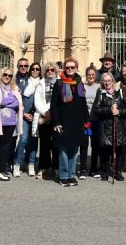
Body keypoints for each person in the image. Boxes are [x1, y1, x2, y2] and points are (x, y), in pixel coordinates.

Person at [50, 57, 90, 187]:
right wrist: (56, 122)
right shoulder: (59, 83)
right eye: (68, 67)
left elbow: (83, 103)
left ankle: (72, 175)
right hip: (63, 121)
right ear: (64, 69)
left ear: (76, 68)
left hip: (77, 121)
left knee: (74, 148)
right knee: (63, 149)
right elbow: (54, 105)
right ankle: (63, 175)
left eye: (72, 67)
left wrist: (87, 121)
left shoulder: (79, 83)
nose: (70, 69)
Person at [92, 72, 126, 181]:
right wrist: (109, 110)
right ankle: (105, 170)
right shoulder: (100, 93)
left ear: (113, 81)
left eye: (109, 80)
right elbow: (96, 109)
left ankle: (118, 171)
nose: (107, 83)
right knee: (105, 150)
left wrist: (118, 111)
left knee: (120, 150)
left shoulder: (121, 91)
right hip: (105, 127)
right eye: (104, 81)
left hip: (120, 126)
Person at [13, 62, 42, 177]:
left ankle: (31, 163)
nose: (35, 71)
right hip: (24, 114)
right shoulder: (25, 82)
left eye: (37, 69)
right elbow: (18, 99)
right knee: (24, 139)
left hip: (37, 115)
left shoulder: (42, 82)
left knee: (34, 140)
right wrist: (24, 113)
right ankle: (17, 164)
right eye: (33, 69)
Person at [79, 66, 101, 179]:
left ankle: (93, 168)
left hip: (95, 120)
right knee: (84, 144)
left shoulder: (99, 87)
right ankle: (82, 169)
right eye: (89, 74)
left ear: (95, 75)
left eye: (93, 74)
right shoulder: (82, 86)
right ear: (86, 75)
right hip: (85, 120)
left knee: (95, 145)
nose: (91, 76)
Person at [38, 61, 59, 178]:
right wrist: (45, 112)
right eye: (47, 70)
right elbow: (37, 100)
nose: (50, 72)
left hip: (56, 117)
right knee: (44, 144)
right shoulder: (41, 83)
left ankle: (56, 167)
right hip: (44, 116)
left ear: (56, 71)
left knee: (56, 143)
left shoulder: (60, 83)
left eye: (52, 70)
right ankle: (43, 167)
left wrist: (53, 113)